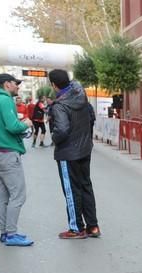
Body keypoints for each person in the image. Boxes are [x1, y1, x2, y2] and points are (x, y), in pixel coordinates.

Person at [48, 69, 100, 239]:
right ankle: (93, 226)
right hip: (85, 148)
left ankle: (76, 228)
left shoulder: (60, 105)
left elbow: (61, 129)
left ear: (54, 85)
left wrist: (55, 139)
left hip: (68, 152)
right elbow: (91, 117)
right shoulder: (81, 94)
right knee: (85, 186)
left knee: (71, 190)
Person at [0, 73, 34, 246]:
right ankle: (11, 234)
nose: (18, 87)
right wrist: (26, 123)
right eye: (15, 83)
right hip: (7, 152)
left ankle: (5, 233)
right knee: (18, 195)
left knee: (2, 195)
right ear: (6, 84)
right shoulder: (5, 100)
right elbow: (12, 126)